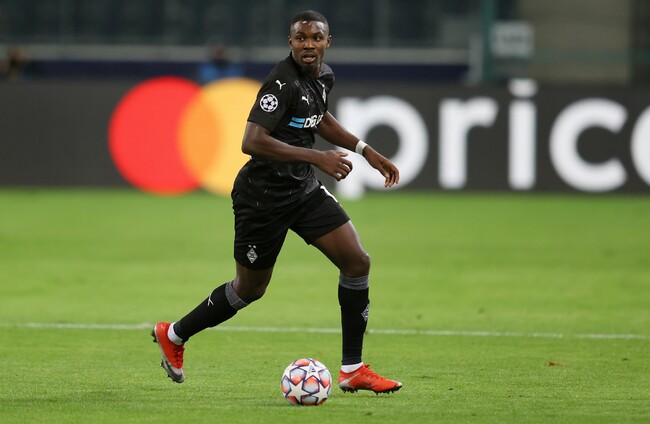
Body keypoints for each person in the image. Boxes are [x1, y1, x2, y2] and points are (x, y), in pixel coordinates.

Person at [152, 10, 402, 394]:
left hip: (302, 191)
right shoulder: (280, 83)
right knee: (249, 289)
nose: (308, 44)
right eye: (301, 38)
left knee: (357, 261)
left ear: (327, 42)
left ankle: (352, 369)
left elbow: (318, 118)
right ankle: (174, 334)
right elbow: (251, 141)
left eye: (315, 38)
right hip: (262, 198)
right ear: (291, 43)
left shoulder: (323, 76)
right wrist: (318, 157)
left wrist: (365, 149)